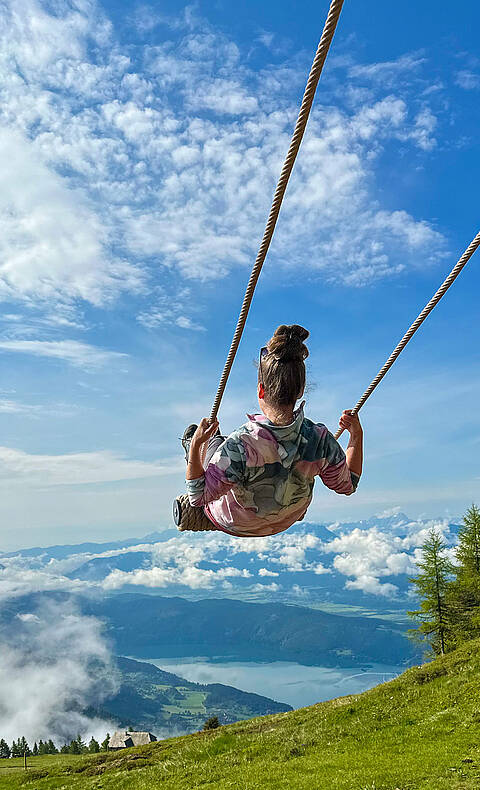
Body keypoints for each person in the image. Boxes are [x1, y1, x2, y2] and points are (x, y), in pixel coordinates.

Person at [182, 324, 363, 538]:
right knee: (222, 449)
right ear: (301, 390)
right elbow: (348, 484)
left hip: (235, 522)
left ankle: (195, 441)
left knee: (213, 441)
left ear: (261, 389)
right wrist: (356, 435)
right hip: (288, 516)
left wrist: (196, 445)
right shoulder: (320, 438)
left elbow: (197, 496)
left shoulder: (240, 443)